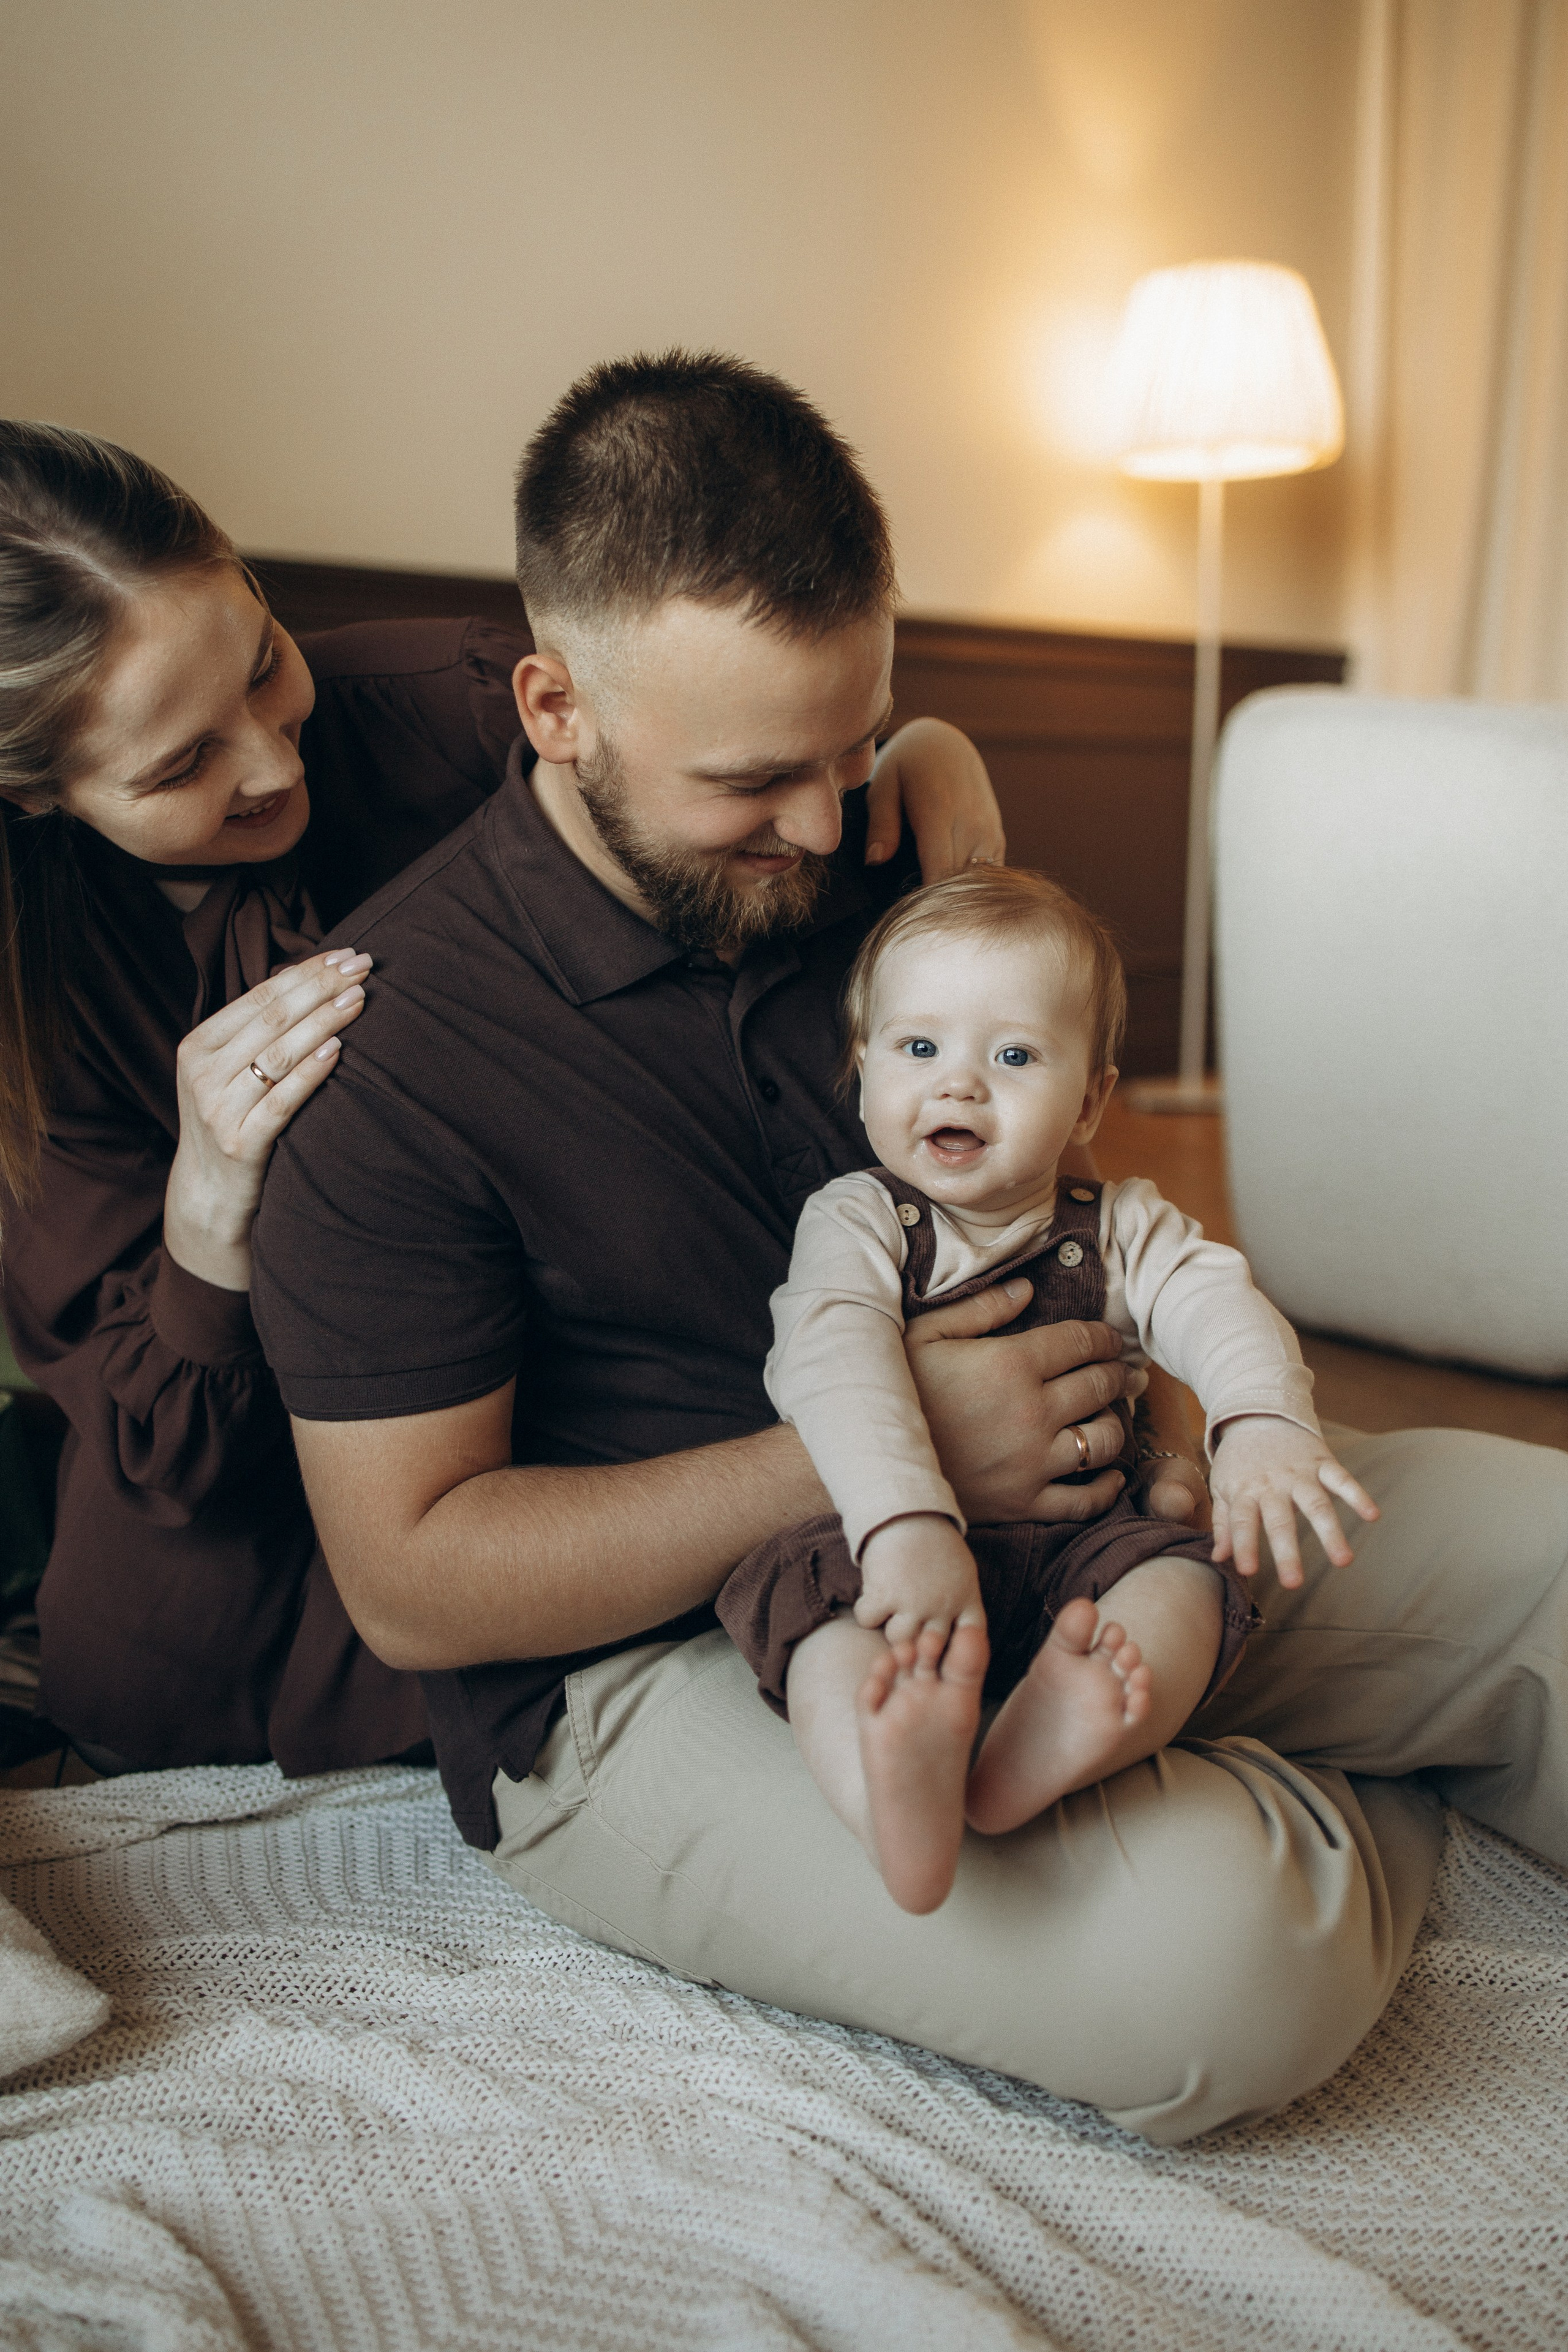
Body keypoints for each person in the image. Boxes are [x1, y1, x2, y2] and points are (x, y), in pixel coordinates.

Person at [252, 352, 1568, 2145]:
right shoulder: (389, 1059)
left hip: (1090, 1517)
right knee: (1221, 1970)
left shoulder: (881, 844)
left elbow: (1083, 1184)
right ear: (557, 707)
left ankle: (1273, 1726)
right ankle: (1372, 1772)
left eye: (853, 742)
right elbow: (414, 1583)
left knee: (1547, 1549)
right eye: (755, 780)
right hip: (678, 1661)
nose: (821, 824)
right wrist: (901, 1447)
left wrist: (1201, 1417)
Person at [0, 417, 1005, 1774]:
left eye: (265, 665)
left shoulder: (464, 709)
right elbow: (162, 1454)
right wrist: (208, 1211)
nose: (274, 764)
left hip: (574, 1396)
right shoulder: (35, 1001)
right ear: (40, 796)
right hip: (269, 1501)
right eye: (182, 766)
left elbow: (724, 740)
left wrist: (911, 752)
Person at [717, 865, 1378, 1914]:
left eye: (1015, 1056)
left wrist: (1257, 1422)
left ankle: (1063, 1730)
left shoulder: (1120, 1223)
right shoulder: (858, 1220)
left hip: (1086, 1547)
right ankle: (891, 1784)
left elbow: (1214, 1302)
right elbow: (833, 1361)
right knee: (816, 1624)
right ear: (864, 1067)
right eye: (919, 1049)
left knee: (1186, 1586)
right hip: (886, 1554)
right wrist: (904, 1526)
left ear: (1091, 1100)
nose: (959, 1086)